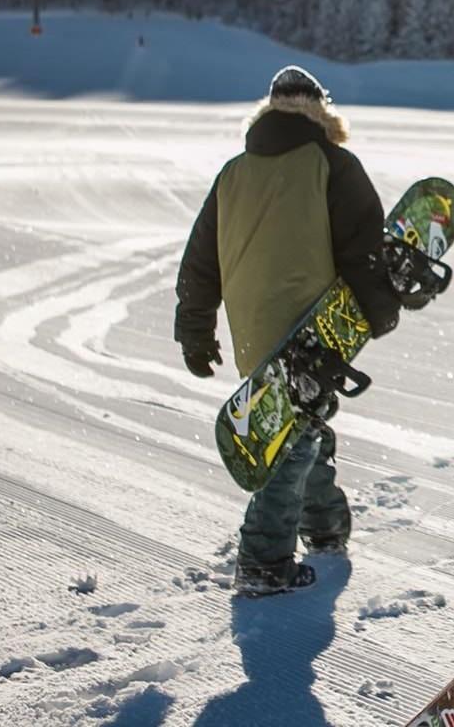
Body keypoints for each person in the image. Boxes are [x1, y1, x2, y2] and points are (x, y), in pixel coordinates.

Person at [174, 66, 406, 597]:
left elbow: (200, 262)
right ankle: (262, 558)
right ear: (321, 111)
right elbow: (363, 251)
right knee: (290, 443)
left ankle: (325, 528)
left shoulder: (233, 172)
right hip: (312, 329)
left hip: (252, 331)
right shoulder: (332, 164)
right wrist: (380, 309)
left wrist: (195, 330)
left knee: (300, 426)